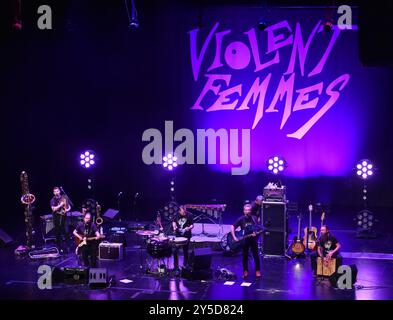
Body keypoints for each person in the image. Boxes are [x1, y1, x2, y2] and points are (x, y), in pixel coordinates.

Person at [231, 204, 261, 278]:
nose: (247, 211)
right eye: (246, 210)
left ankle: (257, 270)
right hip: (245, 240)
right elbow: (232, 226)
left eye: (249, 210)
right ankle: (245, 271)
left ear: (251, 211)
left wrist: (256, 233)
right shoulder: (241, 219)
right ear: (244, 211)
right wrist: (234, 237)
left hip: (253, 240)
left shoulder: (254, 218)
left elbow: (258, 228)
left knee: (256, 256)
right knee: (245, 256)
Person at [172, 206, 194, 270]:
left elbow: (192, 225)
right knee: (175, 250)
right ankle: (175, 266)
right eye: (183, 212)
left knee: (185, 251)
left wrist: (189, 228)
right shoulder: (176, 215)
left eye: (185, 211)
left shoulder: (189, 215)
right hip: (178, 235)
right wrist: (174, 226)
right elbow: (174, 221)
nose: (184, 213)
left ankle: (185, 265)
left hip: (186, 235)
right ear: (179, 211)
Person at [50, 186, 71, 252]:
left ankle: (68, 246)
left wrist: (67, 209)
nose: (56, 192)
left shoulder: (64, 198)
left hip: (64, 217)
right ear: (53, 193)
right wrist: (60, 205)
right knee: (58, 233)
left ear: (60, 191)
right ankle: (59, 247)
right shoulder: (52, 200)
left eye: (57, 191)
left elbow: (69, 206)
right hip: (56, 218)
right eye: (55, 191)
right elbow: (53, 209)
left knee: (66, 231)